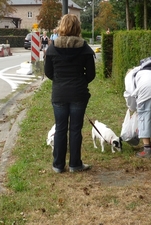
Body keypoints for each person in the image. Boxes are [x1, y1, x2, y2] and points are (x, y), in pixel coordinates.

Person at [44, 14, 96, 173]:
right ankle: (75, 164)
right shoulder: (85, 48)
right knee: (75, 129)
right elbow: (91, 74)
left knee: (60, 128)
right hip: (78, 93)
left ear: (62, 27)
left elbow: (48, 72)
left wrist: (59, 81)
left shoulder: (52, 48)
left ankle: (58, 165)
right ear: (77, 27)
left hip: (59, 93)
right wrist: (80, 82)